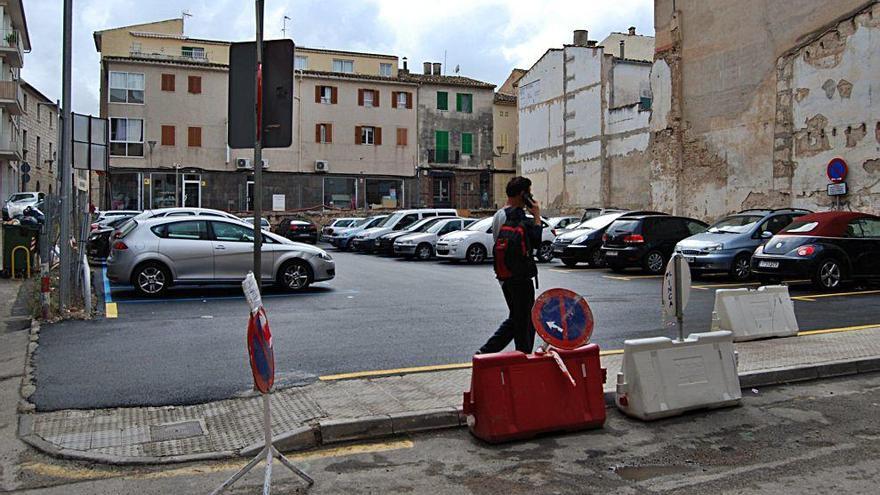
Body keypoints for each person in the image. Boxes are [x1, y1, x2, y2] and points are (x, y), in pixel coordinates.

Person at [478, 176, 543, 355]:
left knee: (521, 319)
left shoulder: (500, 215)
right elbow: (536, 241)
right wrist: (536, 215)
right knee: (520, 320)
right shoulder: (516, 215)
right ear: (523, 194)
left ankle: (522, 355)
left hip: (505, 275)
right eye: (529, 193)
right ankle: (486, 352)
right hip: (519, 277)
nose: (531, 196)